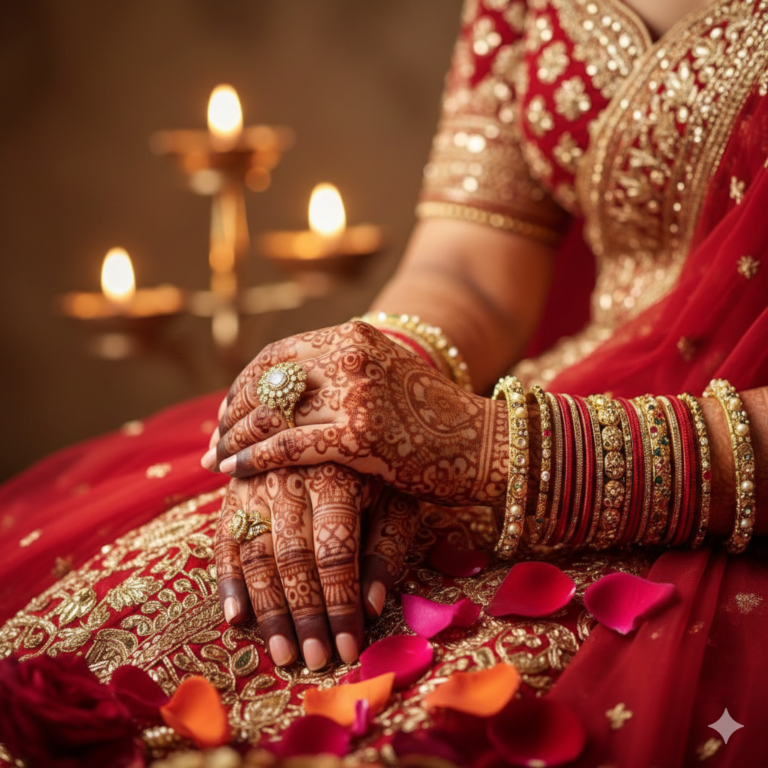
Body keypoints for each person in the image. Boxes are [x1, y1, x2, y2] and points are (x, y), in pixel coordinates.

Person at [2, 0, 768, 765]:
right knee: (111, 637)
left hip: (730, 496)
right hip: (551, 396)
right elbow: (469, 267)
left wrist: (492, 447)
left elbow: (488, 438)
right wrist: (363, 384)